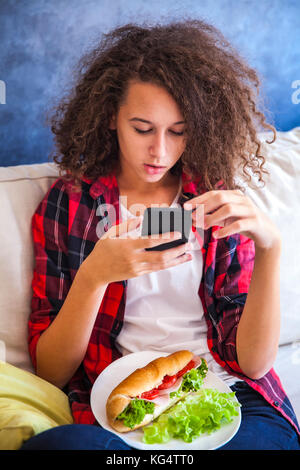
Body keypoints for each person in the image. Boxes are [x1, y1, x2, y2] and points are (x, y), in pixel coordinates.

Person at [21, 19, 300, 450]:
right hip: (118, 406)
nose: (161, 151)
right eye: (143, 128)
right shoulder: (70, 203)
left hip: (230, 392)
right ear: (110, 117)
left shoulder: (215, 198)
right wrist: (95, 275)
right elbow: (52, 373)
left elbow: (255, 364)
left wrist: (271, 248)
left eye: (179, 131)